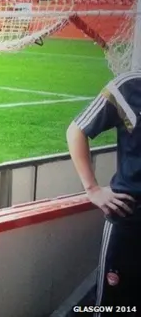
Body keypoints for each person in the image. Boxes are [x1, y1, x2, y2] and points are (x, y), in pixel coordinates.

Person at [66, 70, 141, 313]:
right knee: (113, 307)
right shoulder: (128, 86)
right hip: (130, 219)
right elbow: (76, 130)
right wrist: (92, 189)